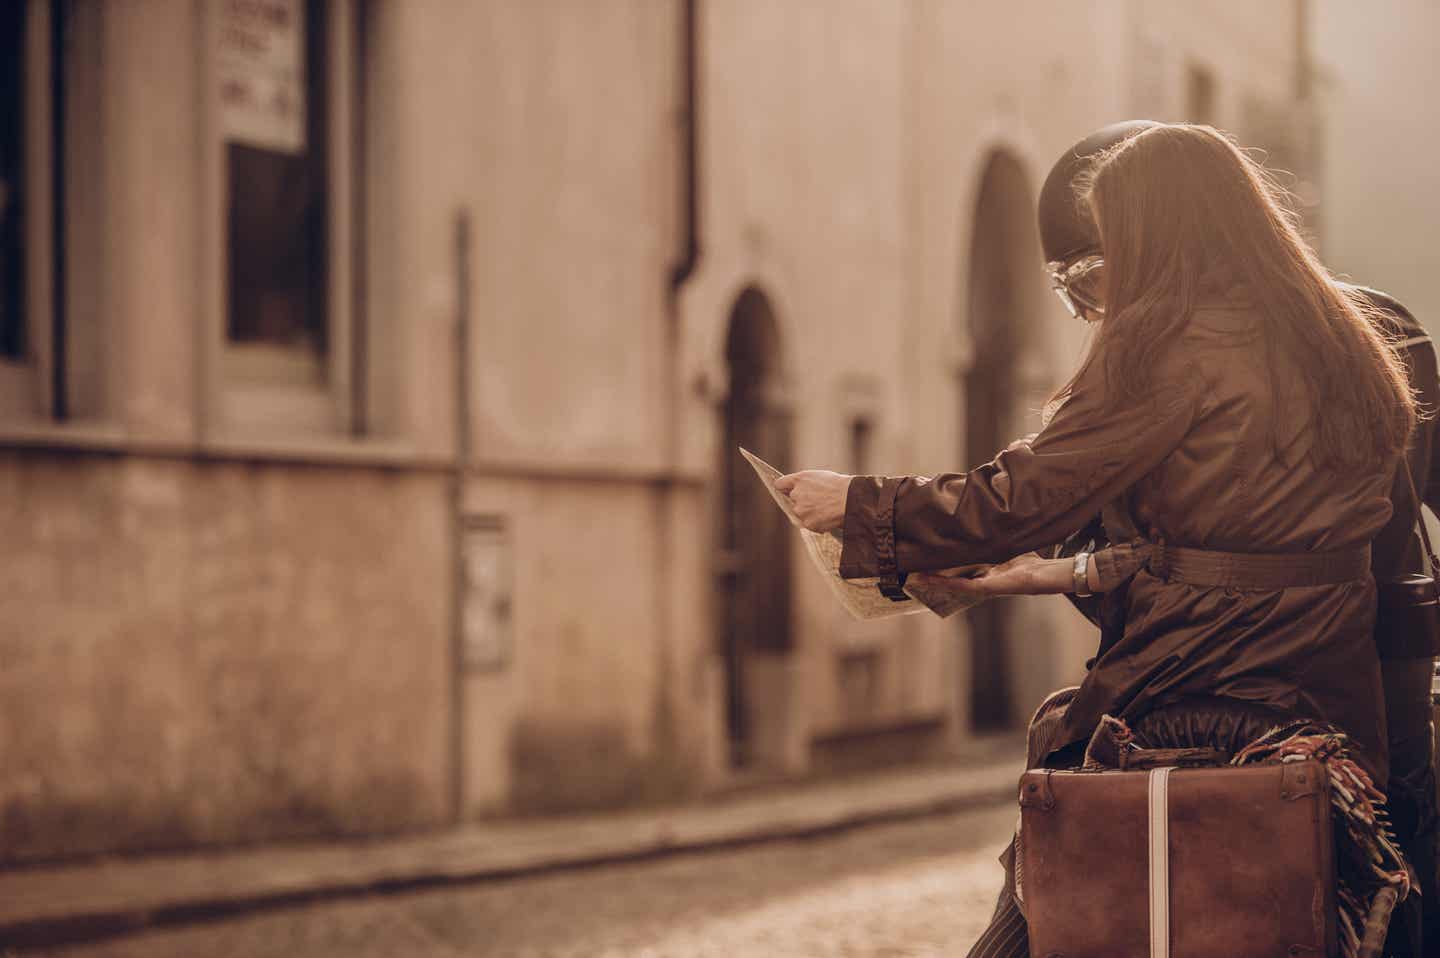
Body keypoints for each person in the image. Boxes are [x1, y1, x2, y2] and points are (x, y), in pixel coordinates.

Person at [776, 122, 1419, 954]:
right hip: (1332, 707)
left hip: (1196, 695)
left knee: (1045, 916)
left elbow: (1026, 497)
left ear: (1149, 228)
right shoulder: (1345, 340)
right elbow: (1227, 552)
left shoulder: (1170, 344)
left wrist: (862, 504)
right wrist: (1009, 582)